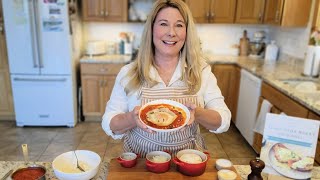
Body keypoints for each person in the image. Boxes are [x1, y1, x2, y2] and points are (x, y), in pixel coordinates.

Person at [102, 0, 231, 157]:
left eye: (179, 25)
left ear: (187, 32)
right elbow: (110, 123)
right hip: (140, 165)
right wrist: (131, 118)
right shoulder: (128, 73)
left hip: (187, 163)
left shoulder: (202, 72)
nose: (171, 32)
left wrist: (197, 113)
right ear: (151, 29)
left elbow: (223, 118)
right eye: (163, 24)